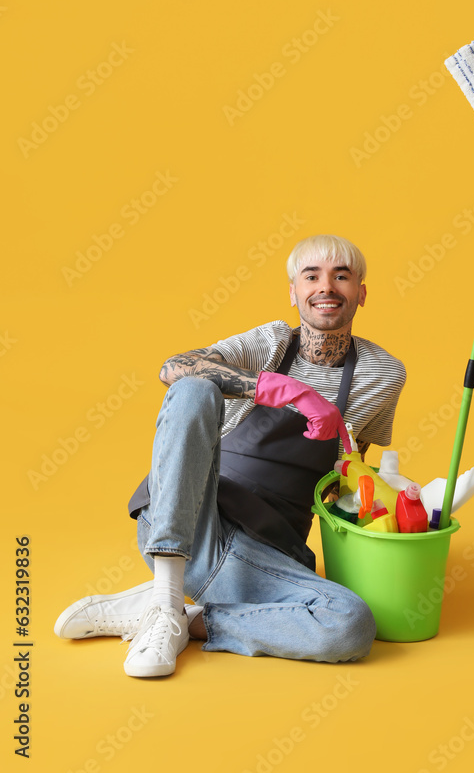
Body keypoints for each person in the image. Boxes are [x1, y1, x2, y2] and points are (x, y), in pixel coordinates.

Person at [54, 234, 407, 677]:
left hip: (266, 554)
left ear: (362, 292)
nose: (327, 287)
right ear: (294, 292)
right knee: (194, 389)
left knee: (350, 624)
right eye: (311, 275)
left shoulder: (384, 374)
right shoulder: (271, 343)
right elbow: (174, 366)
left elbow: (351, 477)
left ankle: (178, 616)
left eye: (342, 276)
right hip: (189, 522)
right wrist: (281, 388)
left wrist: (398, 515)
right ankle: (166, 595)